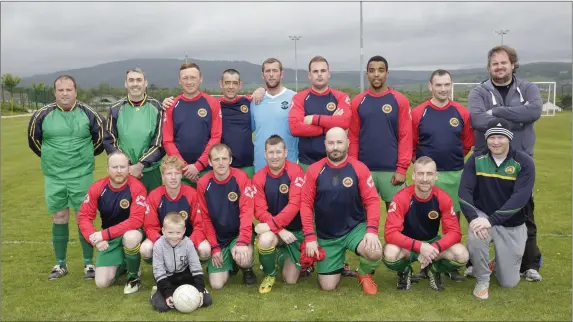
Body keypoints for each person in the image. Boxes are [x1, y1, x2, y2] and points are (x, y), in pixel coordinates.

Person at [467, 45, 542, 282]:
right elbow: (478, 120)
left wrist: (497, 111)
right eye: (494, 64)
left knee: (524, 212)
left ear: (513, 64)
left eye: (503, 63)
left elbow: (534, 111)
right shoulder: (479, 92)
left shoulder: (527, 88)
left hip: (519, 160)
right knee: (479, 210)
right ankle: (473, 262)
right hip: (485, 162)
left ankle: (529, 264)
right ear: (489, 67)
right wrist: (516, 115)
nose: (499, 67)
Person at [27, 75, 106, 280]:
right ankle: (60, 264)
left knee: (84, 217)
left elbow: (99, 142)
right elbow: (34, 142)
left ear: (75, 91)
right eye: (60, 90)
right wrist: (54, 161)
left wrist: (81, 160)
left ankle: (89, 264)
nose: (65, 93)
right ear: (55, 92)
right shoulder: (42, 115)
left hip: (81, 175)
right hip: (55, 176)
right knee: (60, 217)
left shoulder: (89, 114)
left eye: (68, 90)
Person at [300, 127, 383, 295]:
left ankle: (364, 273)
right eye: (331, 143)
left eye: (339, 142)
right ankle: (338, 262)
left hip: (354, 229)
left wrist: (372, 230)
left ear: (347, 143)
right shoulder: (314, 170)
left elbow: (372, 201)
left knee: (374, 252)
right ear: (325, 145)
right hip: (327, 235)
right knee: (328, 286)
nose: (335, 147)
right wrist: (309, 237)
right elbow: (305, 204)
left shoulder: (359, 168)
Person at [459, 118, 535, 299]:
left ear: (509, 138)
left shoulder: (524, 162)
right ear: (486, 139)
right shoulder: (476, 159)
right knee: (476, 231)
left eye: (501, 137)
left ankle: (495, 264)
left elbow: (520, 199)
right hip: (483, 214)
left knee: (508, 282)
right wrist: (474, 219)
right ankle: (482, 279)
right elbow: (464, 192)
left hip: (512, 222)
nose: (496, 142)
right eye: (492, 137)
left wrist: (491, 221)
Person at [411, 69, 474, 282]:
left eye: (447, 84)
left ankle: (448, 265)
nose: (443, 89)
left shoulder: (461, 112)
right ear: (430, 86)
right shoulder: (419, 112)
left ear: (451, 85)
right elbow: (411, 143)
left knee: (451, 223)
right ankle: (424, 264)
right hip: (425, 177)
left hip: (454, 174)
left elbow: (466, 143)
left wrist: (452, 159)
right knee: (423, 222)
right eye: (438, 85)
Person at [382, 156, 468, 291]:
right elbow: (390, 233)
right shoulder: (401, 198)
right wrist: (420, 246)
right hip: (408, 245)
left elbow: (454, 232)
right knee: (390, 253)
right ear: (414, 176)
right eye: (421, 174)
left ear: (436, 176)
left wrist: (435, 247)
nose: (425, 179)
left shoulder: (443, 197)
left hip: (432, 242)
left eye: (429, 174)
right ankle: (405, 271)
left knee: (462, 255)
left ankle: (434, 269)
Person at [162, 69, 266, 178]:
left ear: (240, 85)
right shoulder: (215, 105)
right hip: (221, 166)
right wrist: (166, 102)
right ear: (221, 84)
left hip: (247, 164)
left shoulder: (248, 101)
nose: (231, 86)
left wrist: (262, 89)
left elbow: (270, 91)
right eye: (227, 83)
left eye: (235, 83)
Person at [348, 55, 413, 211]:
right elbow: (353, 137)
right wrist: (354, 168)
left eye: (381, 70)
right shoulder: (358, 101)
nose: (376, 74)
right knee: (361, 218)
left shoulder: (400, 101)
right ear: (367, 74)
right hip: (364, 171)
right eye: (372, 71)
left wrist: (402, 169)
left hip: (391, 172)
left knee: (396, 220)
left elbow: (406, 136)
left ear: (387, 74)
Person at [77, 151, 147, 294]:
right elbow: (84, 217)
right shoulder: (97, 187)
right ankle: (125, 263)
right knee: (102, 283)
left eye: (123, 167)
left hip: (133, 233)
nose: (119, 171)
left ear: (129, 168)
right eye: (115, 167)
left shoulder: (137, 187)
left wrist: (104, 234)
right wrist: (95, 239)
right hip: (110, 239)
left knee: (131, 237)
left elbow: (136, 220)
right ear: (107, 168)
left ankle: (133, 277)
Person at [196, 144, 257, 289]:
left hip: (237, 234)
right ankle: (229, 261)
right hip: (218, 237)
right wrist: (214, 246)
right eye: (216, 159)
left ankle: (247, 269)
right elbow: (205, 218)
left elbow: (247, 213)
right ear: (210, 162)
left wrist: (242, 241)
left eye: (224, 158)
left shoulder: (241, 178)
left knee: (243, 257)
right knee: (216, 285)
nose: (221, 163)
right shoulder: (203, 183)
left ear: (230, 160)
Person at [251, 135, 306, 293]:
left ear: (286, 152)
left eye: (278, 152)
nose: (275, 156)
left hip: (295, 232)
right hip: (278, 232)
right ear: (265, 154)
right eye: (271, 152)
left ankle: (280, 256)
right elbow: (260, 210)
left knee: (290, 280)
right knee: (266, 238)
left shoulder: (295, 171)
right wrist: (279, 229)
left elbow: (295, 204)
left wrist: (271, 225)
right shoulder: (259, 177)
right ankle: (269, 274)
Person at [103, 68, 165, 192]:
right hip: (124, 172)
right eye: (131, 80)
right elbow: (110, 141)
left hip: (150, 171)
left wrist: (141, 165)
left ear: (145, 83)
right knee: (125, 209)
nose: (135, 84)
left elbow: (160, 142)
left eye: (139, 80)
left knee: (152, 209)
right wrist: (128, 165)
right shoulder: (115, 109)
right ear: (126, 84)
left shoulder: (158, 107)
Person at [141, 156, 211, 264]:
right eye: (169, 174)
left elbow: (200, 226)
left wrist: (187, 244)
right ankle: (162, 266)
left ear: (181, 175)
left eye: (177, 173)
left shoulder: (192, 194)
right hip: (163, 239)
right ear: (163, 176)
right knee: (145, 249)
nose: (173, 177)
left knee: (205, 249)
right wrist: (164, 243)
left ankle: (191, 267)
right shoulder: (154, 195)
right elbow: (150, 227)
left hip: (187, 238)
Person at [162, 62, 222, 187]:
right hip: (180, 173)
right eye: (185, 78)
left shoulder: (212, 103)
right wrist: (184, 167)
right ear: (179, 80)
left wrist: (199, 165)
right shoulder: (171, 105)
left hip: (207, 170)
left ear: (201, 79)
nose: (189, 82)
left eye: (193, 77)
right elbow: (167, 140)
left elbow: (216, 136)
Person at [288, 56, 352, 170]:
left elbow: (344, 122)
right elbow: (295, 128)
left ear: (329, 74)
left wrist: (314, 119)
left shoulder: (341, 97)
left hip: (336, 164)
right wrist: (327, 126)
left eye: (323, 71)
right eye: (315, 71)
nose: (319, 74)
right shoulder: (299, 98)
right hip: (306, 163)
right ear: (309, 75)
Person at [149, 212, 212, 313]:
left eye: (178, 233)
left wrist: (200, 289)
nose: (174, 236)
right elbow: (159, 272)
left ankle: (200, 290)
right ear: (163, 231)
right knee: (162, 307)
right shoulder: (158, 245)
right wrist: (168, 294)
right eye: (170, 232)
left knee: (207, 301)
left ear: (184, 231)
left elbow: (196, 267)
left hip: (185, 278)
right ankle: (156, 292)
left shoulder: (188, 243)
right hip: (167, 279)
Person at [251, 58, 298, 172]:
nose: (271, 74)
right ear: (263, 75)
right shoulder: (255, 101)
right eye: (267, 71)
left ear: (281, 74)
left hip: (288, 166)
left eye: (275, 71)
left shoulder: (294, 98)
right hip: (262, 167)